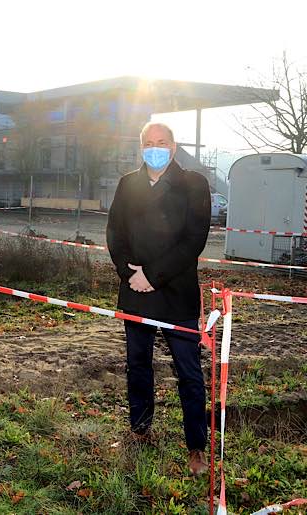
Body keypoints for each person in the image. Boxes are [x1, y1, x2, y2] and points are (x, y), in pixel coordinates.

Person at [106, 121, 211, 475]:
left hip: (176, 294)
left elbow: (193, 240)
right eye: (149, 143)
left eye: (161, 142)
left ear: (173, 144)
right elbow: (114, 234)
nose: (155, 147)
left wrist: (153, 275)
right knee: (138, 365)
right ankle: (140, 429)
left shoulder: (194, 184)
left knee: (189, 373)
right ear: (141, 147)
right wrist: (130, 274)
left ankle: (196, 447)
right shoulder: (127, 184)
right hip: (135, 292)